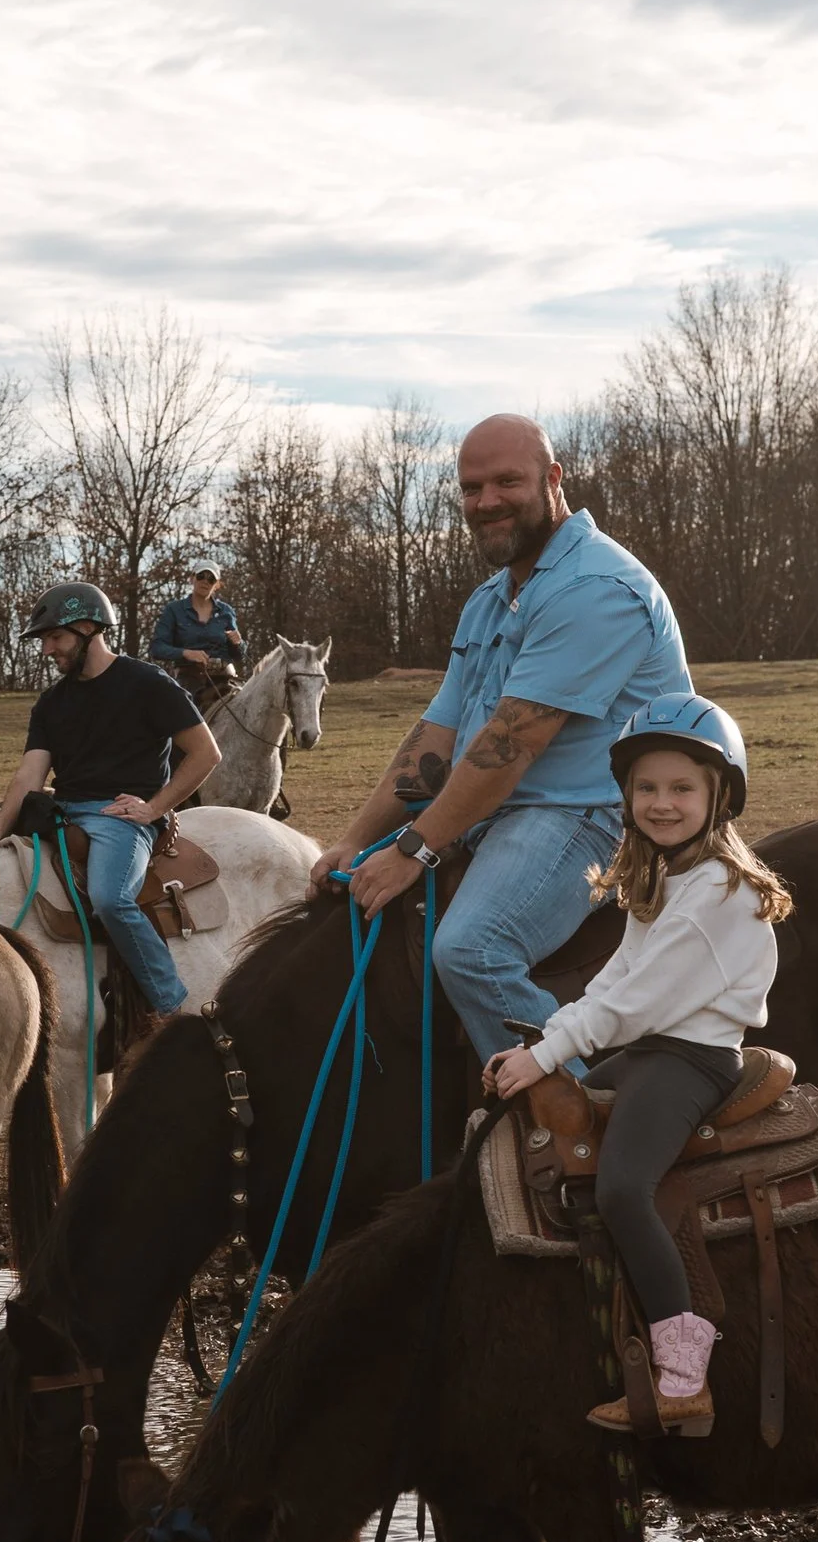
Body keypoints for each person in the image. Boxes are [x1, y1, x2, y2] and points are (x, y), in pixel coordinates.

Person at [320, 413, 691, 1074]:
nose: (486, 501)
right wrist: (355, 838)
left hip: (598, 815)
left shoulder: (594, 587)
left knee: (471, 948)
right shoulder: (493, 601)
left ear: (553, 480)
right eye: (470, 487)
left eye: (506, 481)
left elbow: (509, 745)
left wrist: (414, 847)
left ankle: (582, 1116)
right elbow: (437, 737)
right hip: (514, 808)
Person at [484, 697, 792, 1437]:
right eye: (647, 788)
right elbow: (615, 981)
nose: (662, 803)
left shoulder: (718, 892)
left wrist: (545, 1053)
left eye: (682, 789)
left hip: (694, 1058)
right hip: (656, 1047)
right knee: (561, 1134)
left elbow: (637, 1004)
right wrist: (545, 1043)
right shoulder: (666, 878)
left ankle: (685, 1372)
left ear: (719, 796)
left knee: (624, 1187)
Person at [0, 583, 221, 1019]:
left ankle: (173, 1007)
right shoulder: (51, 703)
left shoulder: (148, 684)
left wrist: (153, 808)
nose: (47, 650)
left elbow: (206, 753)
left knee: (110, 899)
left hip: (119, 818)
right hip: (61, 812)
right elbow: (29, 776)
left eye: (54, 637)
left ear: (88, 627)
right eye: (44, 640)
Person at [148, 561, 245, 679]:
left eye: (211, 579)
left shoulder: (226, 611)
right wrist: (185, 653)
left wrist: (238, 643)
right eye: (201, 576)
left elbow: (239, 656)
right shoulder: (173, 610)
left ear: (217, 585)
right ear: (192, 578)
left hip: (226, 677)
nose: (205, 581)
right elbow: (157, 648)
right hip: (188, 679)